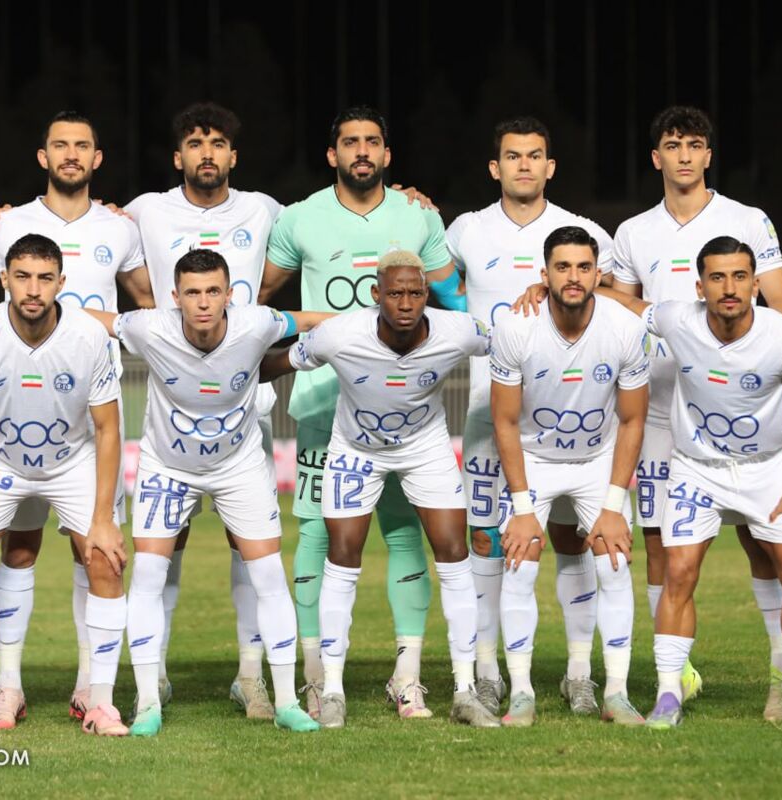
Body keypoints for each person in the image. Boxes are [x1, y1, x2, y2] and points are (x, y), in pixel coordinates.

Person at [259, 106, 464, 719]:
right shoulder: (299, 218)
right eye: (350, 142)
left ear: (387, 154)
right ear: (333, 155)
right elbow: (259, 299)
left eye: (372, 141)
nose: (362, 151)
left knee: (404, 533)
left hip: (402, 410)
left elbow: (454, 297)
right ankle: (316, 676)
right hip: (324, 403)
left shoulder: (417, 215)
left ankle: (407, 676)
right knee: (318, 535)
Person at [598, 236, 782, 732]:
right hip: (697, 469)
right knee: (679, 572)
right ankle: (669, 695)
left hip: (765, 470)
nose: (728, 288)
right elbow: (627, 302)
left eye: (739, 277)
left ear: (755, 284)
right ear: (699, 287)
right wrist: (562, 288)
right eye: (717, 277)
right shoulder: (678, 320)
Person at [608, 106, 782, 718]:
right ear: (656, 157)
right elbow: (618, 307)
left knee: (761, 542)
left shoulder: (747, 220)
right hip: (659, 415)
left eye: (695, 145)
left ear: (709, 155)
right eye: (673, 145)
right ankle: (678, 674)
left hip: (732, 411)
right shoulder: (633, 232)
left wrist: (733, 359)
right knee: (662, 544)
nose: (685, 155)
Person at [93, 249, 326, 736]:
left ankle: (287, 702)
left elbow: (309, 319)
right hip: (167, 468)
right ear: (175, 297)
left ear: (229, 295)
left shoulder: (256, 323)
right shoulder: (149, 327)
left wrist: (373, 321)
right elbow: (95, 320)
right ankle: (148, 702)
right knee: (148, 575)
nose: (203, 302)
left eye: (213, 291)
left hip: (239, 468)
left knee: (268, 576)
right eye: (193, 293)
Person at [267, 251, 498, 729]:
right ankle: (332, 691)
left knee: (454, 554)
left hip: (425, 449)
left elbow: (513, 344)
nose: (406, 303)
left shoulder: (458, 331)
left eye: (415, 293)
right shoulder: (339, 335)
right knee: (342, 556)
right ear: (377, 294)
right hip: (356, 451)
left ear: (426, 294)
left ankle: (465, 690)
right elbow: (280, 362)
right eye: (395, 293)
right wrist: (220, 370)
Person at [0, 111, 144, 726]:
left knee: (92, 549)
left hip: (91, 417)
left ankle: (89, 688)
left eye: (82, 146)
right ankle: (8, 687)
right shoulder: (7, 225)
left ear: (97, 159)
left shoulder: (120, 228)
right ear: (42, 157)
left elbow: (148, 308)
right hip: (14, 418)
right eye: (59, 145)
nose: (71, 154)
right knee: (19, 549)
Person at [447, 116, 618, 716]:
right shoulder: (466, 230)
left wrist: (555, 290)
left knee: (573, 541)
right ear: (495, 168)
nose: (524, 165)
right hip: (488, 414)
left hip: (568, 421)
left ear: (550, 166)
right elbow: (437, 284)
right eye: (513, 156)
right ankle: (488, 671)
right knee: (487, 540)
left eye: (535, 155)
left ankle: (579, 675)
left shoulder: (584, 233)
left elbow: (616, 299)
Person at [122, 102, 284, 718]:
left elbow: (325, 227)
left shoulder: (265, 209)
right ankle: (155, 675)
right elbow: (86, 235)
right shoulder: (143, 210)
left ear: (233, 156)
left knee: (250, 546)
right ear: (178, 157)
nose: (207, 152)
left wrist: (406, 199)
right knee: (167, 544)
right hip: (176, 400)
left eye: (218, 142)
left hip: (245, 402)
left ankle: (251, 674)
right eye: (195, 143)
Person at [0, 233, 128, 740]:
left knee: (105, 558)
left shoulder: (89, 336)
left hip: (71, 460)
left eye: (45, 278)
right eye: (22, 276)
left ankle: (100, 701)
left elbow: (108, 429)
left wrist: (104, 518)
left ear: (61, 282)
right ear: (4, 278)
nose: (33, 289)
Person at [488, 226, 648, 727]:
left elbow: (633, 421)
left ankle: (614, 692)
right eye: (563, 267)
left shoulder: (624, 328)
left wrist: (614, 505)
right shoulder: (515, 327)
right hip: (534, 459)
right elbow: (504, 422)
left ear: (599, 275)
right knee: (520, 562)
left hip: (597, 461)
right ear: (545, 274)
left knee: (614, 564)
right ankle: (521, 693)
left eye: (583, 267)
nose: (573, 277)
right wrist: (521, 509)